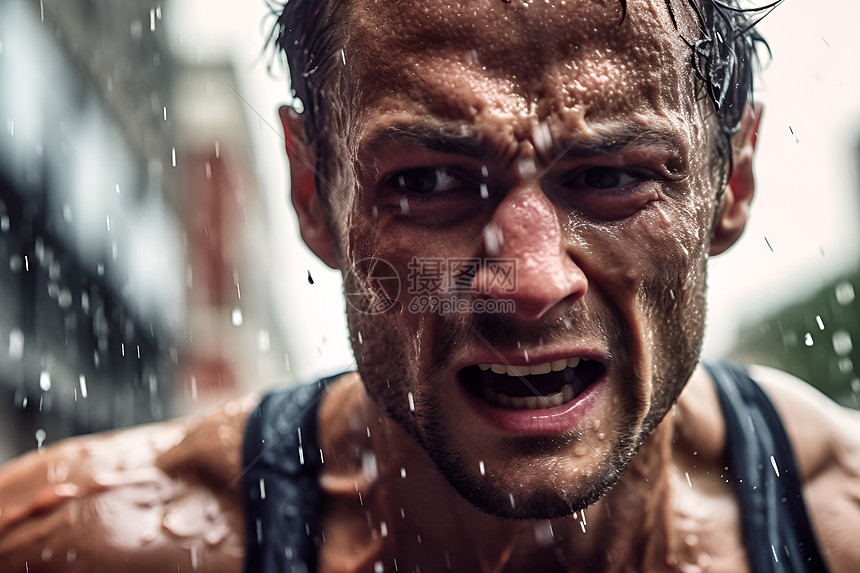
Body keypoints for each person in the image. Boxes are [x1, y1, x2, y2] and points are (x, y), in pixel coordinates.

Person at [1, 0, 859, 571]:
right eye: (430, 182)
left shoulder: (838, 523)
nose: (530, 282)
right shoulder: (90, 543)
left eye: (610, 175)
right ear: (314, 193)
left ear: (733, 179)